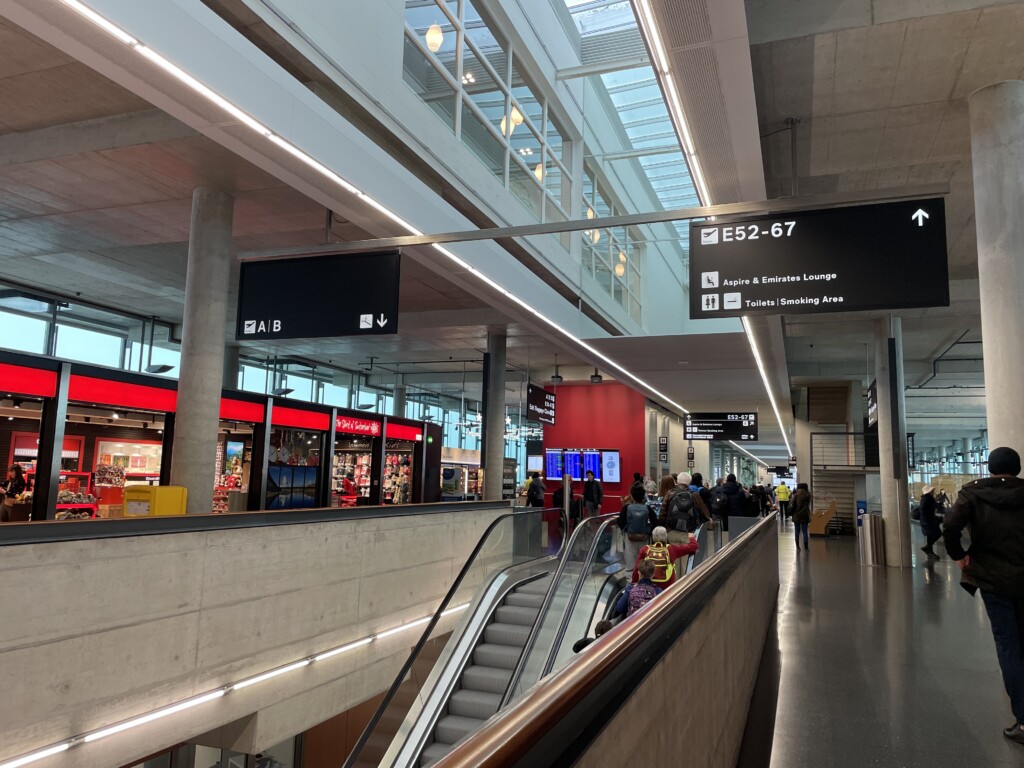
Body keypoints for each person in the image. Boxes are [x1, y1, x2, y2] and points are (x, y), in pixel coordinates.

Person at [943, 447, 1024, 744]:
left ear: (989, 468)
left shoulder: (973, 494)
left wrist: (958, 555)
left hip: (993, 579)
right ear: (1017, 467)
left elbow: (950, 524)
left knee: (1008, 643)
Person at [631, 525, 698, 587]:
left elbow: (637, 569)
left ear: (653, 537)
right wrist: (691, 538)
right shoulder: (671, 549)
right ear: (666, 536)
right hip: (667, 586)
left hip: (649, 585)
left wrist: (634, 583)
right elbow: (693, 547)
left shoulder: (645, 549)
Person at [618, 483, 659, 572]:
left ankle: (631, 584)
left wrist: (628, 528)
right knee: (645, 565)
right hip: (645, 539)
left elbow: (620, 523)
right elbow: (655, 523)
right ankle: (644, 583)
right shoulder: (647, 508)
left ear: (632, 496)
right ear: (643, 495)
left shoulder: (627, 508)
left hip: (630, 539)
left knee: (630, 567)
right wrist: (648, 530)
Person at [660, 472, 710, 541]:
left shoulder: (670, 493)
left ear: (677, 481)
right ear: (689, 482)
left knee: (673, 550)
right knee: (687, 549)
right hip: (689, 531)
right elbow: (704, 511)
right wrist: (709, 519)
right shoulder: (694, 495)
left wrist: (663, 525)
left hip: (672, 530)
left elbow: (663, 511)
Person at [918, 485, 941, 560]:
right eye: (932, 491)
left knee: (930, 536)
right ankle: (929, 549)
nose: (933, 492)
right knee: (936, 534)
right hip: (928, 521)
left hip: (928, 520)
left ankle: (929, 551)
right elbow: (924, 509)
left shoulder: (926, 498)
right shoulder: (928, 498)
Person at [791, 482, 811, 550]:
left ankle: (798, 546)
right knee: (805, 531)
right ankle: (806, 546)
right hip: (805, 514)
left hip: (796, 515)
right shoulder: (808, 495)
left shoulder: (796, 495)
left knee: (797, 531)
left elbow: (792, 504)